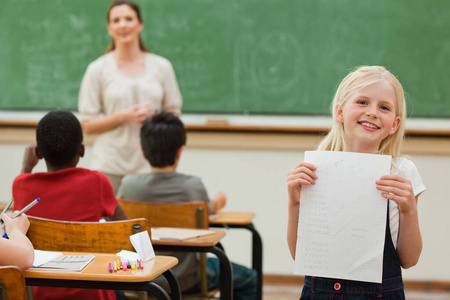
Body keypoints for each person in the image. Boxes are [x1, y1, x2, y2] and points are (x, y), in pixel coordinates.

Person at [286, 66, 426, 299]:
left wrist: (409, 209)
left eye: (384, 107)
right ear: (340, 112)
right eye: (362, 102)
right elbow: (298, 253)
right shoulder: (315, 169)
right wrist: (293, 203)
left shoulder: (403, 173)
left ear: (395, 124)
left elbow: (409, 260)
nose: (372, 112)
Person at [117, 111, 257, 300]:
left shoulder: (129, 185)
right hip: (188, 277)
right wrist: (218, 203)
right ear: (180, 151)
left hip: (145, 276)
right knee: (250, 279)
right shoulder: (193, 185)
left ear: (142, 150)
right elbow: (208, 208)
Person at [12, 110, 127, 300]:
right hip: (92, 291)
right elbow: (128, 229)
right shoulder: (97, 182)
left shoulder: (21, 184)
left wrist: (26, 169)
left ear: (38, 153)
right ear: (81, 151)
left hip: (39, 292)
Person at [78, 0, 183, 194]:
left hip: (151, 166)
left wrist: (157, 120)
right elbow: (87, 125)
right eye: (116, 20)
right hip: (109, 165)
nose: (123, 24)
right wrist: (123, 116)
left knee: (148, 224)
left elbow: (174, 115)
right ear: (109, 28)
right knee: (107, 223)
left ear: (140, 24)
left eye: (129, 19)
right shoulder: (97, 69)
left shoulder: (162, 67)